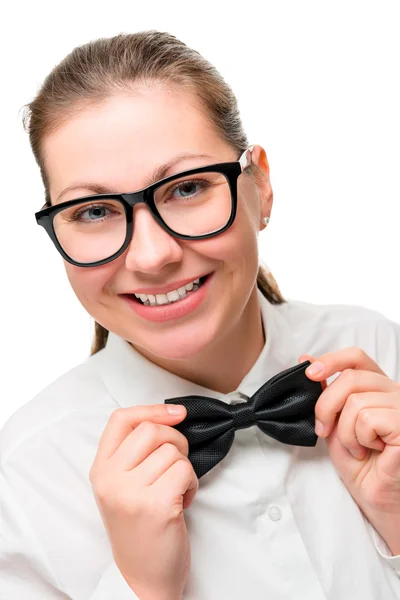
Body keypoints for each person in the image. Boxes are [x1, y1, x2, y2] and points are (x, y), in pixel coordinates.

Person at [0, 30, 399, 600]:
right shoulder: (22, 479)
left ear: (259, 185)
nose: (153, 254)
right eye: (93, 211)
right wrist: (139, 588)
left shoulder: (384, 352)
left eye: (187, 188)